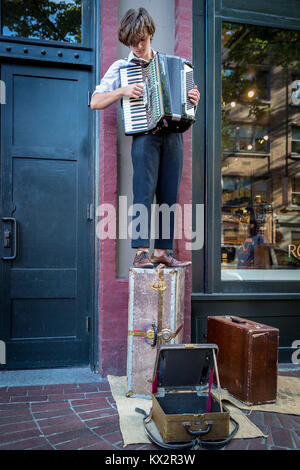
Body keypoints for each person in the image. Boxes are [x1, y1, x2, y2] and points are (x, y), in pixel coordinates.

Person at [90, 8, 200, 268]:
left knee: (169, 194)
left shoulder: (174, 64)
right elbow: (95, 101)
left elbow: (187, 103)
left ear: (150, 33)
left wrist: (192, 100)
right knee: (143, 193)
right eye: (131, 42)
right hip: (144, 135)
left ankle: (162, 251)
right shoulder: (122, 67)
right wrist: (122, 90)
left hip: (173, 135)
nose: (137, 46)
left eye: (142, 39)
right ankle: (141, 252)